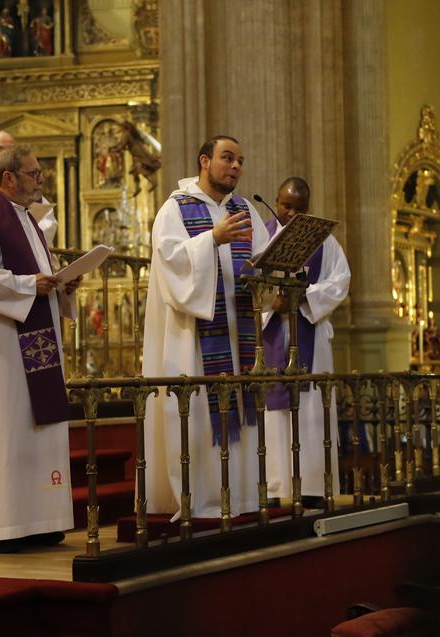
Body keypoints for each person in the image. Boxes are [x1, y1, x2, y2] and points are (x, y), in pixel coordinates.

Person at [0, 146, 82, 552]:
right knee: (5, 428)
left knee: (32, 430)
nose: (40, 181)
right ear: (8, 178)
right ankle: (0, 524)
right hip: (1, 349)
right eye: (33, 174)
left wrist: (61, 285)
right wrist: (28, 286)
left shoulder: (29, 222)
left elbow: (36, 277)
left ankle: (38, 519)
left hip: (32, 342)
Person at [142, 135, 270, 520]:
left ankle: (243, 496)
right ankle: (200, 500)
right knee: (197, 411)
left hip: (239, 335)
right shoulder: (175, 209)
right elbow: (170, 262)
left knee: (240, 410)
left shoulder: (244, 209)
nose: (235, 167)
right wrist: (212, 239)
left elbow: (261, 259)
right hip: (195, 339)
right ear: (204, 161)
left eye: (240, 160)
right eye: (227, 158)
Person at [261, 177, 350, 509]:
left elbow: (340, 281)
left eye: (300, 208)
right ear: (276, 200)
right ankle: (272, 486)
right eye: (286, 205)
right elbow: (246, 282)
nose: (292, 214)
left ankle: (313, 484)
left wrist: (301, 298)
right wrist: (272, 303)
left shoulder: (324, 241)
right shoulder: (262, 235)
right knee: (272, 412)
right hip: (271, 333)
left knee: (312, 409)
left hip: (309, 331)